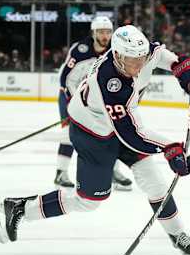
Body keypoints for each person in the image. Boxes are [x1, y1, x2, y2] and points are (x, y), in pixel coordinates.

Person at [0, 25, 190, 255]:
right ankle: (21, 208)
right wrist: (170, 148)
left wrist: (180, 66)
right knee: (89, 200)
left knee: (155, 183)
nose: (139, 65)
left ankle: (177, 233)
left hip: (119, 124)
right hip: (92, 133)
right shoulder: (109, 80)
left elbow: (159, 55)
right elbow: (130, 133)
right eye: (133, 60)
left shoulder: (142, 53)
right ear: (118, 55)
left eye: (141, 59)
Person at [54, 15, 132, 191]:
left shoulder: (114, 51)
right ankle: (60, 172)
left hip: (98, 100)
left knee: (112, 132)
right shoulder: (80, 50)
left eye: (108, 32)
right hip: (70, 95)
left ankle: (112, 171)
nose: (105, 36)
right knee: (69, 134)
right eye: (101, 32)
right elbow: (65, 80)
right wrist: (77, 103)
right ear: (93, 33)